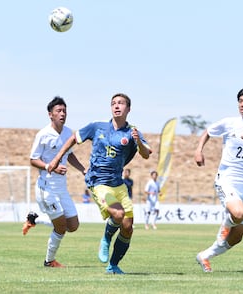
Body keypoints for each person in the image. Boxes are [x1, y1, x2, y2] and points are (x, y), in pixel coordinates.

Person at [48, 93, 151, 274]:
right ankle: (106, 237)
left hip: (118, 183)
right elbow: (73, 138)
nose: (116, 106)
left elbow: (146, 153)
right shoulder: (97, 127)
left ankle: (113, 265)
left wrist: (138, 142)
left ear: (128, 109)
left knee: (128, 227)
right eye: (113, 103)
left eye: (121, 103)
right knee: (117, 214)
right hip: (98, 181)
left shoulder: (132, 131)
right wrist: (57, 158)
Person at [194, 86, 243, 273]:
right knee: (238, 213)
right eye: (240, 101)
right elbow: (207, 132)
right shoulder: (229, 123)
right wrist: (198, 150)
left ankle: (205, 255)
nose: (242, 105)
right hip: (227, 179)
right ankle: (223, 231)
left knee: (237, 237)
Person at [23, 96, 86, 268]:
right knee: (60, 228)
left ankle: (34, 219)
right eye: (58, 111)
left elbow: (70, 154)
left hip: (62, 188)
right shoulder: (42, 135)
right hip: (47, 188)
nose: (62, 113)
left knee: (73, 226)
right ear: (50, 114)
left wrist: (82, 169)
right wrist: (51, 167)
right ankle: (49, 261)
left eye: (64, 110)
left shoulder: (68, 133)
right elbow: (32, 159)